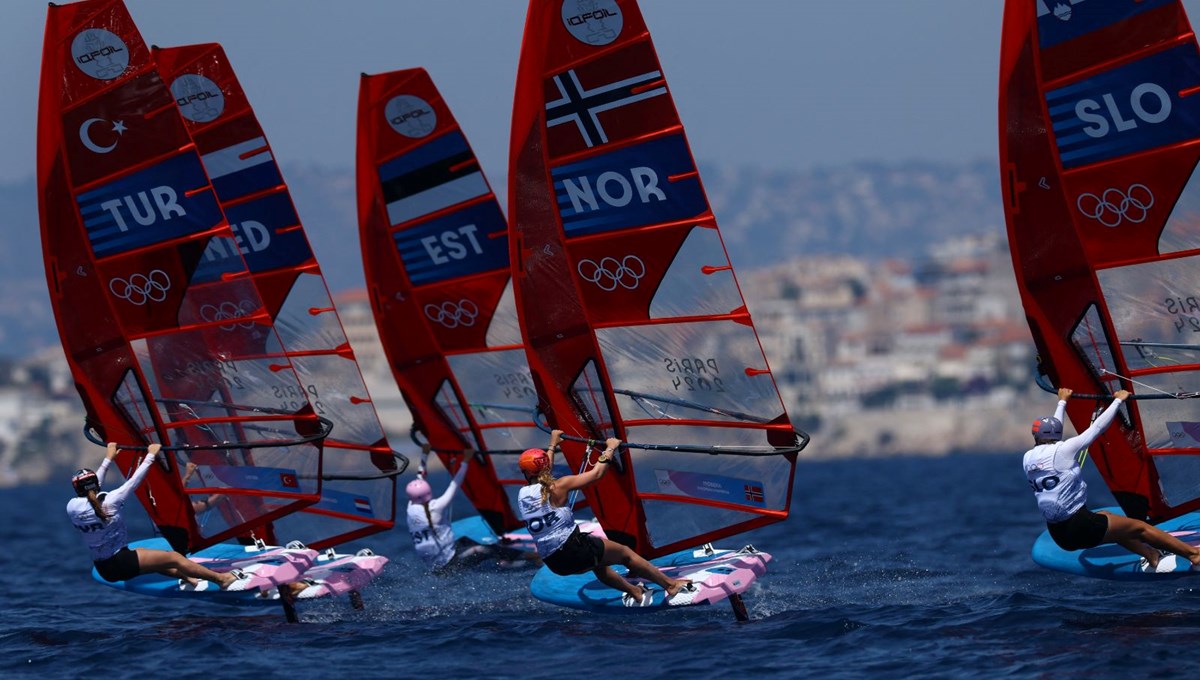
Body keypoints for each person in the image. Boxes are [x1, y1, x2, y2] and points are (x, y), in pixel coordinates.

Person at [1024, 388, 1200, 572]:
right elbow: (1097, 428)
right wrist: (1118, 401)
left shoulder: (1028, 458)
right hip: (1080, 525)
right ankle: (1193, 555)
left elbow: (1053, 431)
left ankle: (1151, 555)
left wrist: (1063, 402)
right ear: (1057, 434)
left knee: (1108, 518)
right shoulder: (1064, 450)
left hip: (1059, 534)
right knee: (1140, 528)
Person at [518, 430, 691, 606]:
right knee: (625, 554)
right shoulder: (559, 486)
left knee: (598, 564)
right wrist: (610, 448)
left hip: (554, 563)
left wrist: (552, 445)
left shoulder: (523, 495)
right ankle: (671, 585)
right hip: (574, 549)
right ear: (545, 467)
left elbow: (542, 472)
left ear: (525, 472)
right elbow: (596, 475)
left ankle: (636, 592)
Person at [67, 442, 250, 590]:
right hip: (122, 562)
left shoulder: (72, 506)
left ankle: (191, 580)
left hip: (105, 568)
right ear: (95, 484)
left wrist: (109, 459)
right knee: (174, 558)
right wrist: (151, 456)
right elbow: (133, 481)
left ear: (76, 489)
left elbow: (93, 487)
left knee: (154, 560)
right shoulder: (111, 501)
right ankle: (221, 579)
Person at [406, 445, 531, 572]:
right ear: (428, 493)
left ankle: (507, 553)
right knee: (485, 549)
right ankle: (520, 560)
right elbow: (455, 484)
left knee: (466, 540)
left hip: (436, 563)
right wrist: (465, 461)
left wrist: (424, 454)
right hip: (448, 566)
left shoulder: (410, 507)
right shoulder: (436, 508)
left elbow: (420, 477)